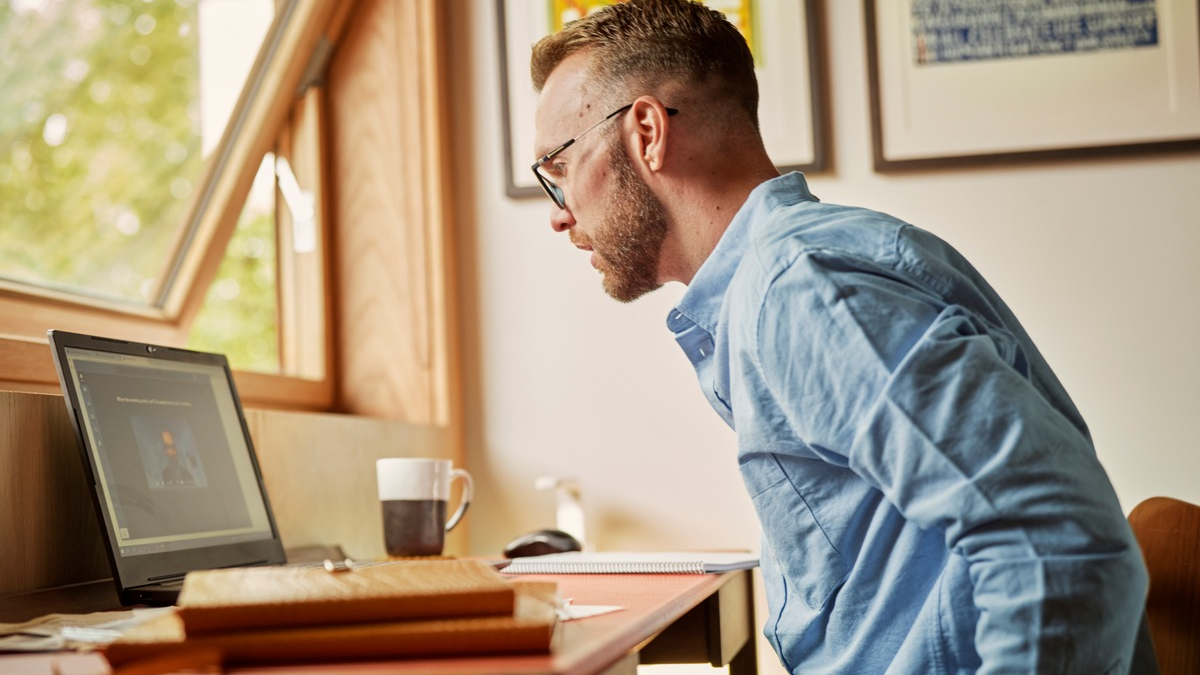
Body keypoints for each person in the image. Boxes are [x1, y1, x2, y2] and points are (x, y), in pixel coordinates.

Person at [528, 1, 1156, 673]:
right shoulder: (782, 284)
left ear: (647, 132)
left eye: (557, 169)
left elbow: (1059, 546)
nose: (559, 217)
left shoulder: (803, 291)